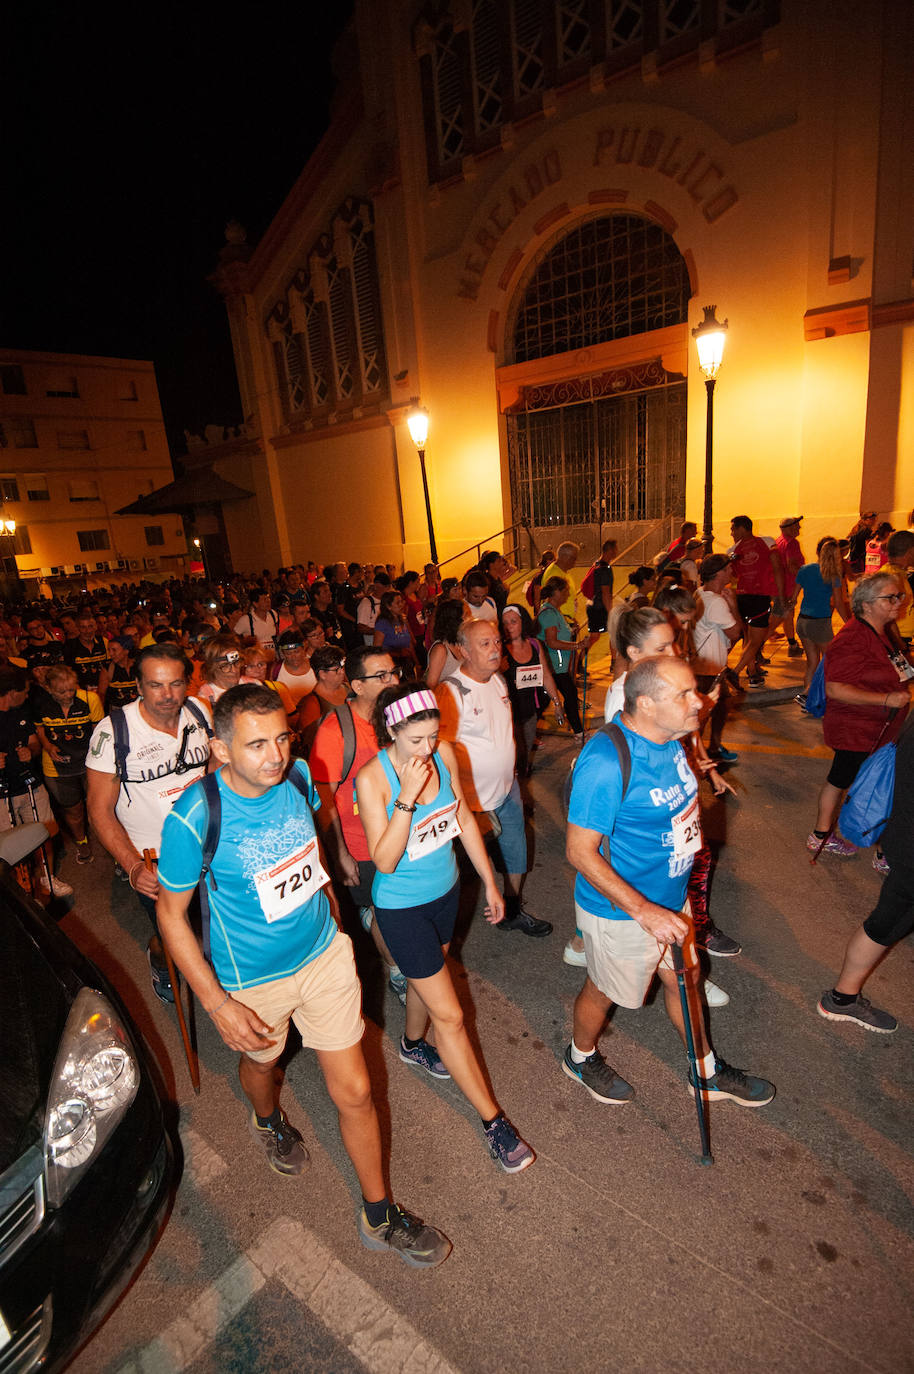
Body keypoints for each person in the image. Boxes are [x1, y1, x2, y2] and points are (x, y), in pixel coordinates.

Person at [156, 684, 450, 1268]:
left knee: (359, 1090)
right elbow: (170, 916)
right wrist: (217, 1003)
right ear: (219, 749)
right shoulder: (195, 816)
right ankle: (268, 1118)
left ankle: (379, 1213)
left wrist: (336, 919)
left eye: (282, 738)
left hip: (323, 958)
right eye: (256, 744)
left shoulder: (296, 778)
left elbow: (309, 849)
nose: (274, 754)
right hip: (252, 980)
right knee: (263, 1064)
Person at [564, 655, 775, 1109]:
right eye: (682, 694)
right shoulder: (605, 761)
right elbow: (579, 852)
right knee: (605, 991)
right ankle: (579, 1057)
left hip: (671, 900)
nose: (694, 701)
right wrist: (644, 910)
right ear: (644, 703)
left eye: (693, 690)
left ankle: (705, 1072)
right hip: (623, 911)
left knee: (687, 979)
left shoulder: (671, 736)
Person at [355, 683, 534, 1173]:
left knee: (425, 977)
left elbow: (463, 821)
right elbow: (385, 861)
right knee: (451, 1015)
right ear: (390, 733)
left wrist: (491, 882)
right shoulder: (373, 780)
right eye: (416, 740)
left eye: (433, 736)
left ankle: (413, 1046)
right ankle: (494, 1122)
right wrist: (407, 800)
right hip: (401, 908)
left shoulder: (446, 755)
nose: (427, 749)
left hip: (446, 895)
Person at [600, 606, 739, 978]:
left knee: (697, 862)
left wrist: (699, 766)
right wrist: (704, 708)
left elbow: (674, 742)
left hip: (675, 807)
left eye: (673, 644)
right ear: (633, 653)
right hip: (652, 823)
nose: (674, 654)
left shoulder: (666, 685)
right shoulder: (626, 697)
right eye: (662, 648)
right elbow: (634, 758)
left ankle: (686, 961)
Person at [87, 643, 213, 1002]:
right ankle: (160, 956)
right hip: (154, 859)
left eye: (175, 684)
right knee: (174, 934)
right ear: (138, 686)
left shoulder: (199, 711)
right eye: (155, 685)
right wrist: (131, 867)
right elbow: (99, 809)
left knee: (211, 927)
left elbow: (215, 769)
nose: (167, 695)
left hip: (207, 844)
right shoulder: (113, 733)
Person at [435, 618, 551, 937]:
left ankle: (512, 910)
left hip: (506, 789)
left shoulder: (499, 681)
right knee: (457, 871)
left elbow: (502, 730)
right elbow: (438, 749)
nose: (495, 648)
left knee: (517, 851)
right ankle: (446, 934)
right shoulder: (451, 692)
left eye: (497, 641)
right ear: (463, 651)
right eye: (485, 643)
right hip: (469, 802)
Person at [309, 646, 408, 1005]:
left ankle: (372, 921)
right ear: (357, 685)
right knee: (388, 913)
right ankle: (398, 971)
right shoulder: (337, 731)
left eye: (394, 672)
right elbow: (323, 799)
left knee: (399, 908)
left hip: (403, 834)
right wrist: (340, 853)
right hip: (361, 845)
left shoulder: (398, 717)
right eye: (381, 676)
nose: (393, 681)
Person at [817, 712, 914, 1034]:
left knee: (890, 918)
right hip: (909, 843)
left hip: (903, 837)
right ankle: (842, 998)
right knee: (887, 920)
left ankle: (843, 997)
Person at [807, 571, 912, 862]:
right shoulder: (853, 637)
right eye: (890, 597)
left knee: (870, 783)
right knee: (858, 783)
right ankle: (826, 837)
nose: (897, 602)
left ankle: (828, 836)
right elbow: (835, 688)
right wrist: (886, 698)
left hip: (883, 727)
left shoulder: (880, 632)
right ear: (866, 604)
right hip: (858, 729)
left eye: (899, 596)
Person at [0, 667, 71, 897]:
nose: (28, 695)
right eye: (25, 690)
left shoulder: (21, 712)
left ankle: (47, 878)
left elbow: (34, 743)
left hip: (31, 785)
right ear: (12, 692)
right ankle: (17, 891)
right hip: (2, 796)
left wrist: (31, 751)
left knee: (44, 833)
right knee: (8, 847)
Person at [31, 664, 103, 865]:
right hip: (57, 767)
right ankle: (82, 841)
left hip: (88, 763)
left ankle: (107, 841)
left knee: (98, 805)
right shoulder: (40, 703)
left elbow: (99, 731)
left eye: (71, 689)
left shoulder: (90, 699)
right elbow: (39, 729)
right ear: (49, 689)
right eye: (61, 691)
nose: (68, 695)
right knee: (73, 810)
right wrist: (47, 746)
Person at [500, 602, 563, 776]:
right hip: (507, 715)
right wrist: (498, 670)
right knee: (509, 758)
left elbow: (546, 675)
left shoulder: (535, 645)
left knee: (525, 753)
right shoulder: (499, 649)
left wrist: (557, 702)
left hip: (529, 712)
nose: (509, 627)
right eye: (505, 622)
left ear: (523, 622)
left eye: (513, 621)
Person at [691, 555, 741, 760]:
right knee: (702, 716)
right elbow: (736, 632)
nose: (732, 571)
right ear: (718, 573)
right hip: (709, 669)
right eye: (728, 568)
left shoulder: (699, 593)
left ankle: (712, 747)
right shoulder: (717, 602)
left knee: (720, 706)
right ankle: (694, 755)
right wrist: (734, 604)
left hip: (702, 665)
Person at [727, 515, 785, 689]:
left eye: (733, 529)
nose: (731, 533)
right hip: (759, 597)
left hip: (741, 597)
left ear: (743, 528)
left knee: (747, 637)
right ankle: (735, 672)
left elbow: (732, 576)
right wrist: (780, 595)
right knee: (755, 641)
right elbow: (777, 567)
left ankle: (752, 672)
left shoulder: (732, 550)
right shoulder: (767, 542)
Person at [793, 538, 851, 708]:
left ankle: (808, 701)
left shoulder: (805, 570)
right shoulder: (833, 576)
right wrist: (849, 622)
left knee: (812, 661)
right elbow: (839, 603)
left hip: (803, 621)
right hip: (819, 623)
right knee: (830, 660)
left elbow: (794, 597)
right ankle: (808, 695)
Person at [536, 576, 595, 741]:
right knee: (565, 695)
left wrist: (571, 631)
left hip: (557, 665)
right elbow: (552, 642)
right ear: (556, 592)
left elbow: (558, 634)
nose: (568, 595)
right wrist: (577, 646)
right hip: (553, 665)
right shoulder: (549, 614)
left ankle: (577, 731)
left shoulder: (554, 611)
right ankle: (577, 731)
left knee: (557, 697)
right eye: (566, 591)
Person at [773, 516, 805, 655]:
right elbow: (792, 567)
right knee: (777, 620)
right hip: (788, 587)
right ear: (789, 528)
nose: (799, 528)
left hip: (780, 586)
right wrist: (807, 575)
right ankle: (755, 647)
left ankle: (792, 645)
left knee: (787, 616)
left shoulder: (779, 541)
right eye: (797, 526)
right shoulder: (792, 543)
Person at [63, 610, 109, 700]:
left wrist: (101, 693)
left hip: (104, 693)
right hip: (80, 694)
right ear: (77, 628)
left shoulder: (104, 642)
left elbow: (109, 669)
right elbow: (67, 673)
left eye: (90, 626)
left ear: (96, 626)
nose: (87, 631)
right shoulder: (70, 646)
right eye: (83, 627)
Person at [424, 598, 466, 689]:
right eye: (465, 616)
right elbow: (431, 686)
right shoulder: (440, 649)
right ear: (454, 622)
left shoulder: (460, 644)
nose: (469, 620)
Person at [372, 590, 417, 672]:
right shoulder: (382, 623)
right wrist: (398, 653)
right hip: (392, 664)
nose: (401, 605)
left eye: (402, 602)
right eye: (398, 603)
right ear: (388, 606)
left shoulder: (402, 619)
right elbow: (377, 649)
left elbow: (409, 643)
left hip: (406, 662)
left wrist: (417, 663)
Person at [196, 633, 243, 706]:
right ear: (212, 668)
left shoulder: (253, 684)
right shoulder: (205, 697)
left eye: (236, 663)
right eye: (225, 666)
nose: (234, 670)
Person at [275, 628, 318, 707]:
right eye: (288, 653)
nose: (293, 657)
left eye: (296, 652)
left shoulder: (316, 665)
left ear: (304, 647)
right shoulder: (275, 669)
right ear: (283, 653)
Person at [585, 539, 617, 634]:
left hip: (592, 605)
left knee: (595, 636)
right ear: (610, 550)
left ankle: (582, 648)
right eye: (615, 549)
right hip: (599, 608)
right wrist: (610, 612)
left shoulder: (596, 564)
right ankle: (582, 647)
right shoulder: (605, 569)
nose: (617, 552)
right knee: (611, 633)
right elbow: (605, 593)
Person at [105, 635, 139, 708]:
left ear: (126, 651)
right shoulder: (108, 669)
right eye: (109, 650)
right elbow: (101, 694)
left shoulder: (139, 666)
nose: (110, 654)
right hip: (117, 711)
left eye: (114, 650)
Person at [846, 512, 878, 577]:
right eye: (872, 519)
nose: (874, 521)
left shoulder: (857, 528)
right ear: (866, 520)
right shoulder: (866, 530)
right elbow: (868, 545)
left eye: (874, 519)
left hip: (853, 558)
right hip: (859, 558)